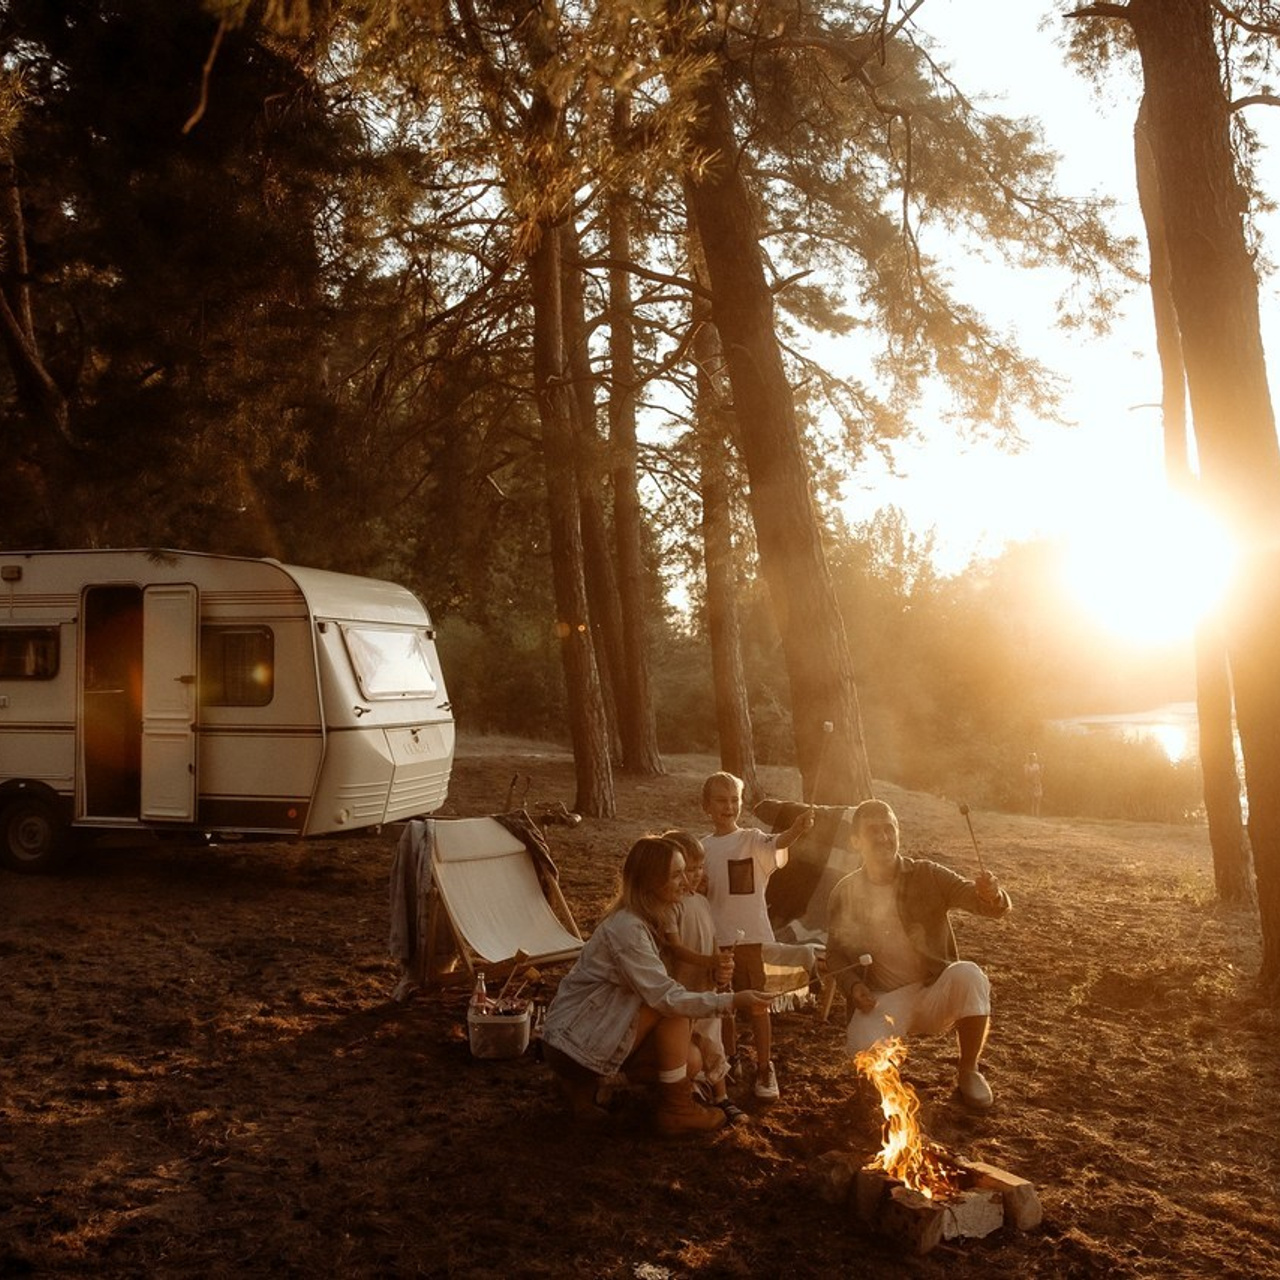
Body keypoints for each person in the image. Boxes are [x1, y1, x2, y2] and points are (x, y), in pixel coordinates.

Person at [541, 834, 773, 1136]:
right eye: (676, 874)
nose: (686, 882)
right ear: (652, 881)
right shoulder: (627, 929)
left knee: (690, 1061)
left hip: (587, 1034)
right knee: (673, 1009)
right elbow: (666, 997)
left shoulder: (648, 921)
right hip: (573, 1044)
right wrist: (732, 1001)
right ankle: (676, 1110)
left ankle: (580, 1087)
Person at [826, 798, 1011, 1110]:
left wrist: (991, 894)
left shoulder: (927, 874)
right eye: (873, 832)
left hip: (932, 991)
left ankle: (969, 1071)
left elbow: (984, 904)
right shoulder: (845, 891)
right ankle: (887, 1085)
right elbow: (834, 956)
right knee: (860, 1047)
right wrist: (854, 987)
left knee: (970, 975)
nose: (884, 838)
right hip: (883, 999)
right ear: (856, 841)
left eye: (890, 829)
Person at [700, 771, 814, 1101]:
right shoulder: (702, 848)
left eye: (734, 800)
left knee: (758, 1006)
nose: (729, 806)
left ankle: (765, 1067)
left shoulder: (753, 839)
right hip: (717, 940)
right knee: (725, 1006)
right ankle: (730, 1058)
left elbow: (780, 841)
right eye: (721, 801)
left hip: (751, 938)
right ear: (706, 806)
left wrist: (797, 829)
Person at [658, 829, 745, 1125]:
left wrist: (719, 969)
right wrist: (710, 960)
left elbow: (709, 942)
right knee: (684, 1047)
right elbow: (675, 948)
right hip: (680, 990)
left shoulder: (703, 903)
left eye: (698, 868)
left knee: (712, 1041)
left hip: (704, 986)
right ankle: (687, 1096)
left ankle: (722, 1097)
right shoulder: (670, 907)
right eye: (687, 869)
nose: (694, 875)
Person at [1024, 753, 1043, 817]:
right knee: (1032, 799)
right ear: (1030, 758)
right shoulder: (1026, 766)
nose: (1035, 759)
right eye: (1034, 758)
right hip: (1030, 783)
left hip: (1037, 782)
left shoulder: (1037, 765)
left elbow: (1040, 775)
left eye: (1035, 758)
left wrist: (1041, 770)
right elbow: (1026, 776)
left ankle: (1037, 814)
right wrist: (1033, 774)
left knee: (1038, 799)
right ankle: (1031, 814)